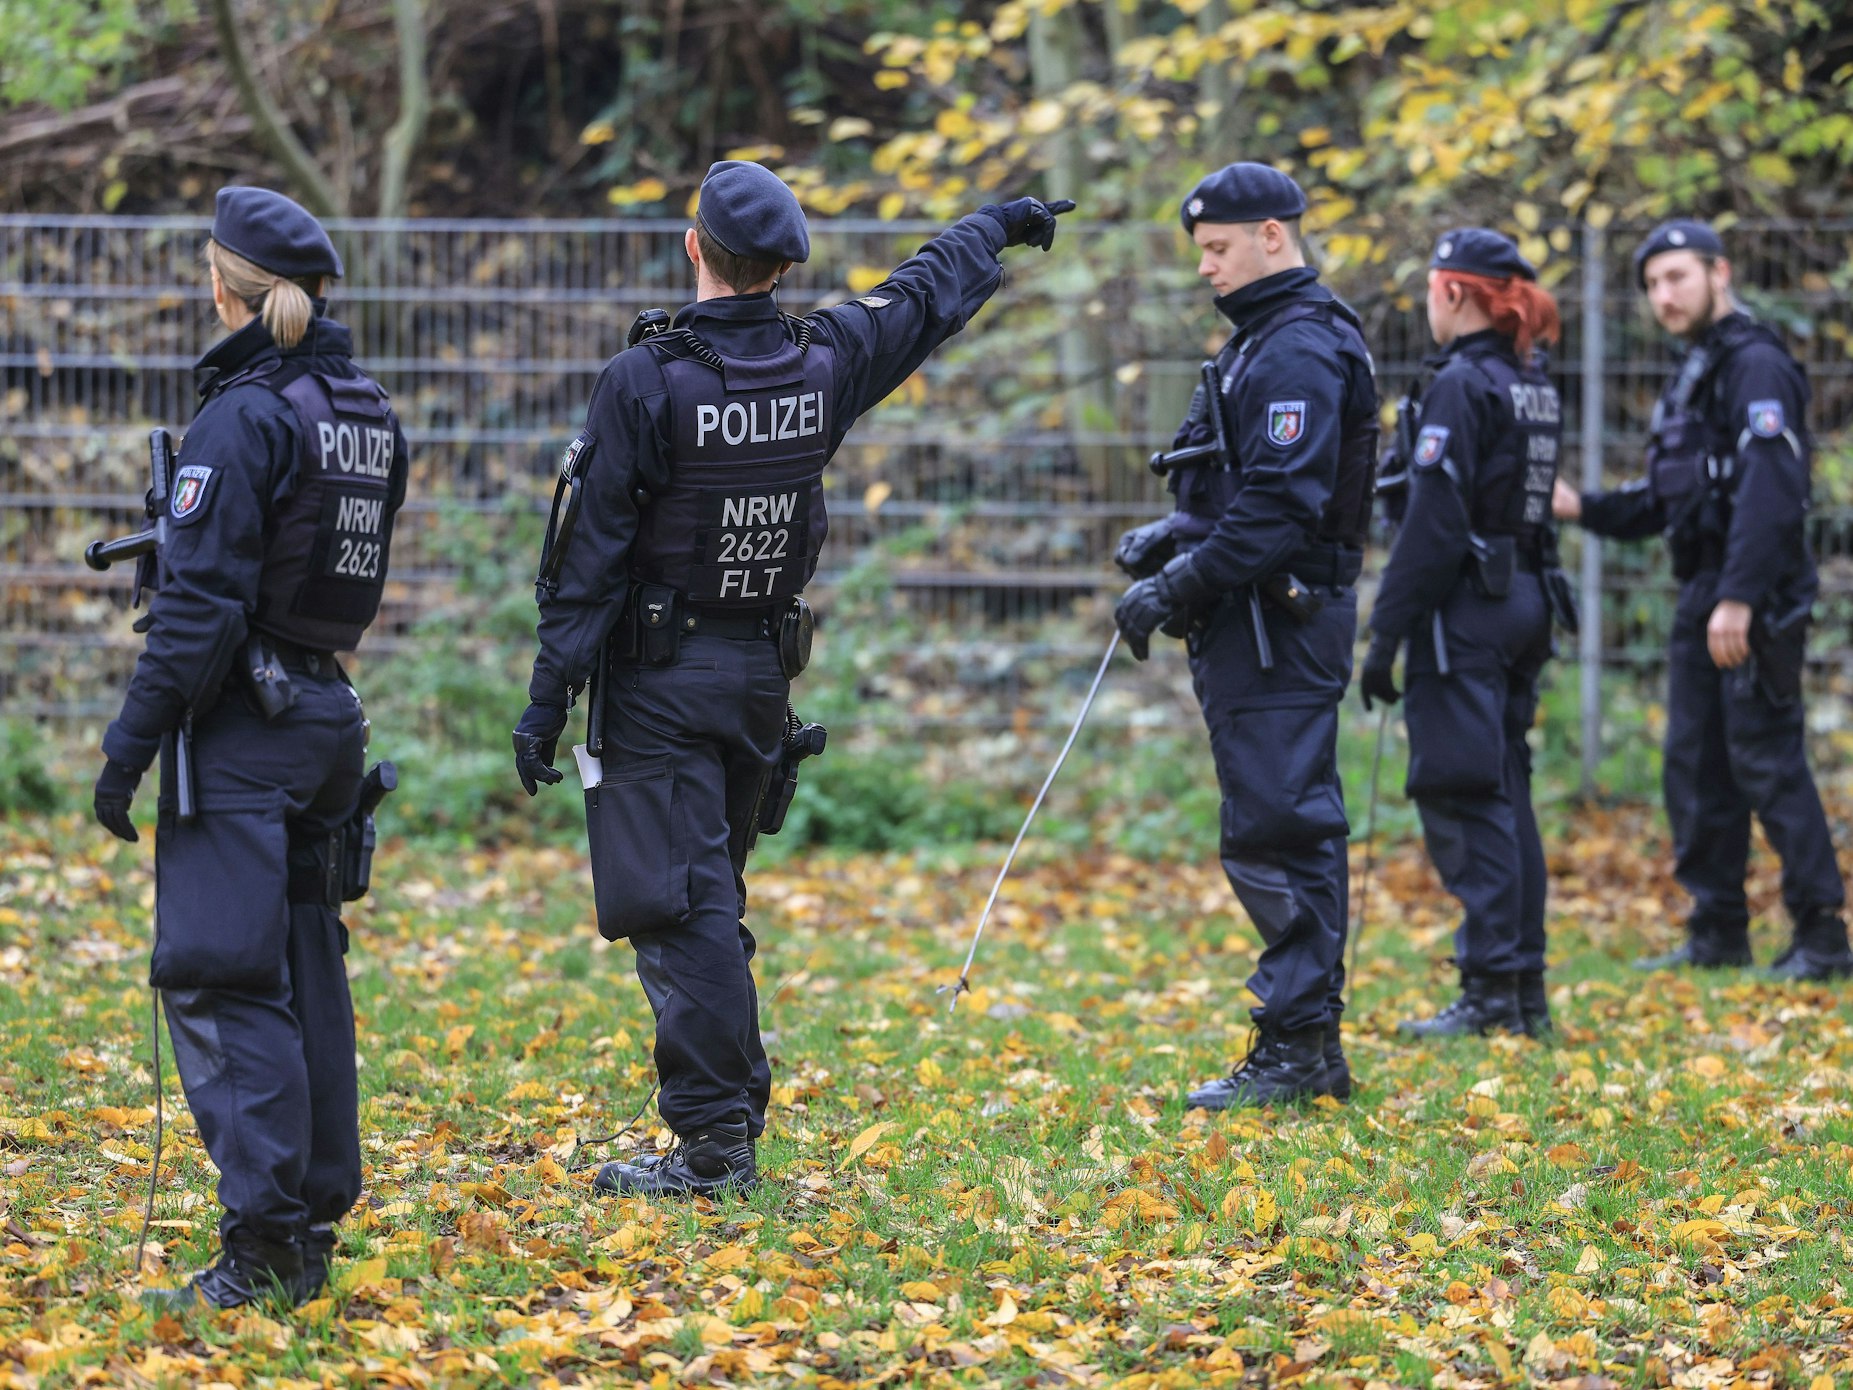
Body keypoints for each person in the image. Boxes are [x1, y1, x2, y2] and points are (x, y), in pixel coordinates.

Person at [511, 161, 1072, 1196]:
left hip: (661, 678)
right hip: (758, 676)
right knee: (706, 896)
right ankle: (718, 1123)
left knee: (683, 912)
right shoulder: (820, 360)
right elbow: (916, 297)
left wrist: (548, 700)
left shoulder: (644, 382)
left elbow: (584, 562)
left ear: (695, 248)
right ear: (778, 264)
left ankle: (717, 1142)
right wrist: (992, 225)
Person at [94, 187, 409, 1307]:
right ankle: (307, 1225)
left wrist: (127, 747)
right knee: (303, 971)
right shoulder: (364, 408)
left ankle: (265, 1245)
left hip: (241, 728)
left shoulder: (245, 413)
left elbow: (199, 610)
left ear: (223, 286)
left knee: (223, 981)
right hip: (324, 713)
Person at [1113, 162, 1378, 1109]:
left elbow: (1279, 509)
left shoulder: (1298, 348)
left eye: (1218, 248)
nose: (1205, 268)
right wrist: (1172, 537)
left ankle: (1299, 1044)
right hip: (1255, 620)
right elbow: (1238, 486)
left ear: (1273, 236)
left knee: (1282, 827)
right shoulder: (1259, 342)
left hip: (1281, 623)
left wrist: (1177, 581)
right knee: (1270, 820)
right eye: (1200, 252)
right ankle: (1305, 1042)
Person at [1554, 219, 1850, 980]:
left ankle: (1820, 938)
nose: (1662, 295)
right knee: (1695, 766)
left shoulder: (1755, 366)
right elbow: (1669, 496)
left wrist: (1739, 599)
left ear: (1718, 272)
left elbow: (1773, 493)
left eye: (1677, 277)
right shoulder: (1696, 369)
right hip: (1703, 594)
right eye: (1652, 283)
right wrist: (1580, 508)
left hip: (1751, 596)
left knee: (1766, 761)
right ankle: (1716, 929)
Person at [1360, 229, 1566, 1039]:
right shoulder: (1528, 380)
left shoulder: (1460, 386)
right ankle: (1521, 992)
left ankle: (1488, 996)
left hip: (1464, 616)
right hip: (1522, 601)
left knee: (1462, 793)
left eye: (1429, 292)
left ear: (1453, 293)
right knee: (1506, 796)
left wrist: (1385, 635)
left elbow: (1432, 527)